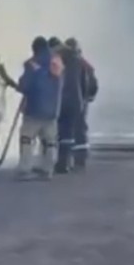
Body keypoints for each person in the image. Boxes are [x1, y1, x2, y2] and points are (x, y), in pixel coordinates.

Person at [15, 35, 64, 180]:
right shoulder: (57, 62)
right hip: (52, 110)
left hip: (34, 110)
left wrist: (20, 85)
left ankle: (25, 169)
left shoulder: (32, 64)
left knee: (27, 139)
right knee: (50, 142)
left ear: (35, 49)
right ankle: (48, 169)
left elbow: (25, 85)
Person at [52, 37, 88, 174]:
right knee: (73, 132)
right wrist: (83, 100)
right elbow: (85, 83)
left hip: (62, 100)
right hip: (76, 102)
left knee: (63, 133)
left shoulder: (58, 60)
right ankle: (74, 161)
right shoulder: (80, 62)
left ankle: (62, 163)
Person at [65, 37, 98, 171]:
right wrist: (89, 97)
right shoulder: (86, 65)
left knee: (69, 130)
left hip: (70, 102)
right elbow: (93, 85)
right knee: (80, 129)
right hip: (82, 102)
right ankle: (79, 160)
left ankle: (69, 160)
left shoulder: (66, 63)